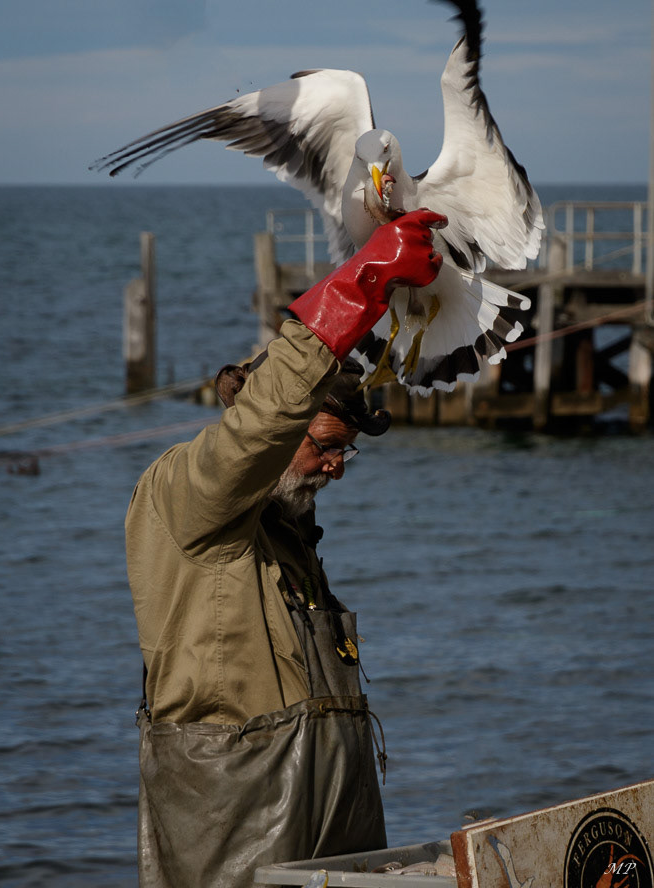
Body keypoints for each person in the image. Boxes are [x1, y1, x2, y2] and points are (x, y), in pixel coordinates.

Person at [125, 209, 445, 888]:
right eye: (323, 445)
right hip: (234, 830)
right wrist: (357, 286)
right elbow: (261, 425)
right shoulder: (186, 496)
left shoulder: (288, 532)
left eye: (345, 451)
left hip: (333, 826)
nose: (335, 465)